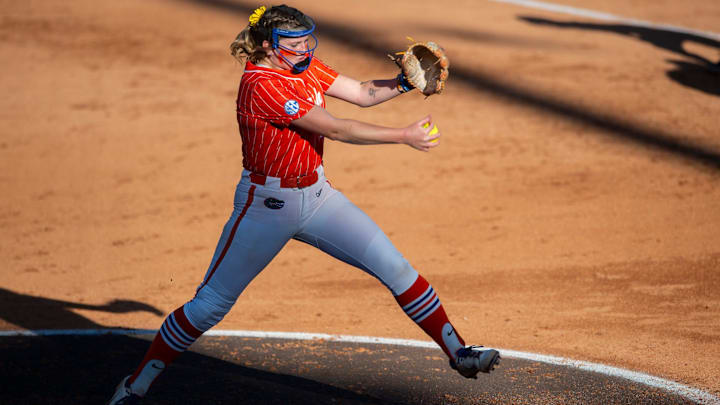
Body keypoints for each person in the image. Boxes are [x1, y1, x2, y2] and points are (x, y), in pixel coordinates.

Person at [108, 4, 499, 404]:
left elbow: (362, 94)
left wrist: (402, 83)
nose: (304, 47)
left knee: (396, 268)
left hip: (318, 198)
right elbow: (337, 127)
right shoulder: (262, 85)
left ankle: (460, 353)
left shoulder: (303, 66)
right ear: (268, 45)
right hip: (265, 208)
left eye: (305, 39)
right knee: (209, 307)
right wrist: (403, 135)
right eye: (293, 42)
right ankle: (134, 387)